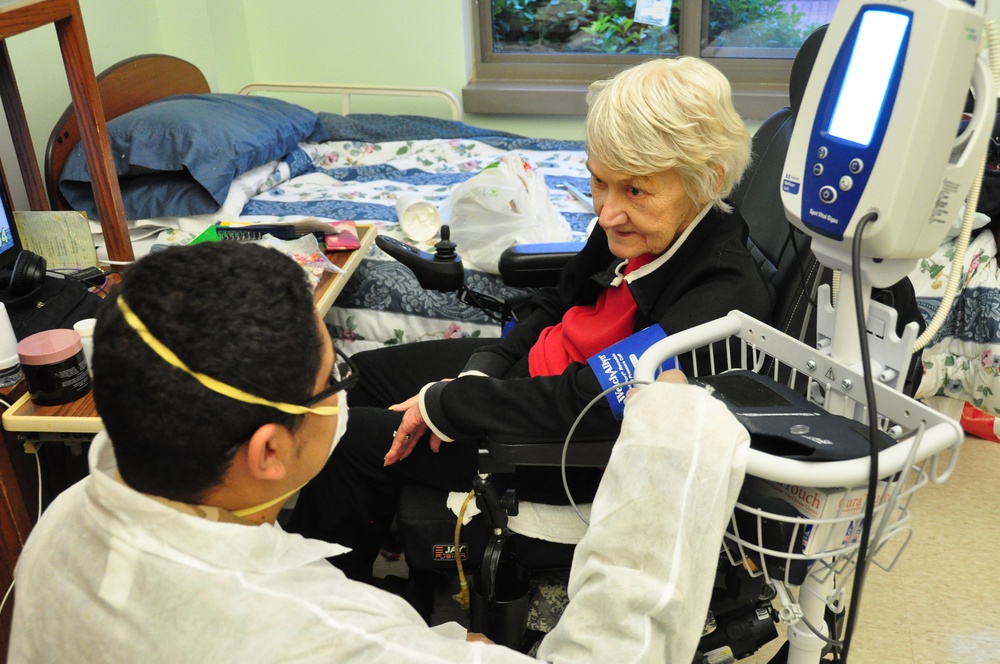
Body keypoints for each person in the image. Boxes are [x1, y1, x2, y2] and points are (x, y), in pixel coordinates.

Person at [8, 242, 752, 663]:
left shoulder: (63, 524)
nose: (345, 390)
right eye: (335, 378)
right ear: (269, 451)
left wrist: (428, 642)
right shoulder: (327, 640)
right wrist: (675, 450)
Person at [286, 55, 775, 581]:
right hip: (534, 381)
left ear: (707, 180)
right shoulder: (636, 226)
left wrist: (450, 402)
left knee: (348, 438)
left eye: (635, 189)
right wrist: (486, 363)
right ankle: (369, 529)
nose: (606, 212)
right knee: (365, 377)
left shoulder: (719, 294)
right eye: (598, 183)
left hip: (562, 442)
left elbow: (586, 401)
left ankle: (319, 599)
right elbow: (553, 303)